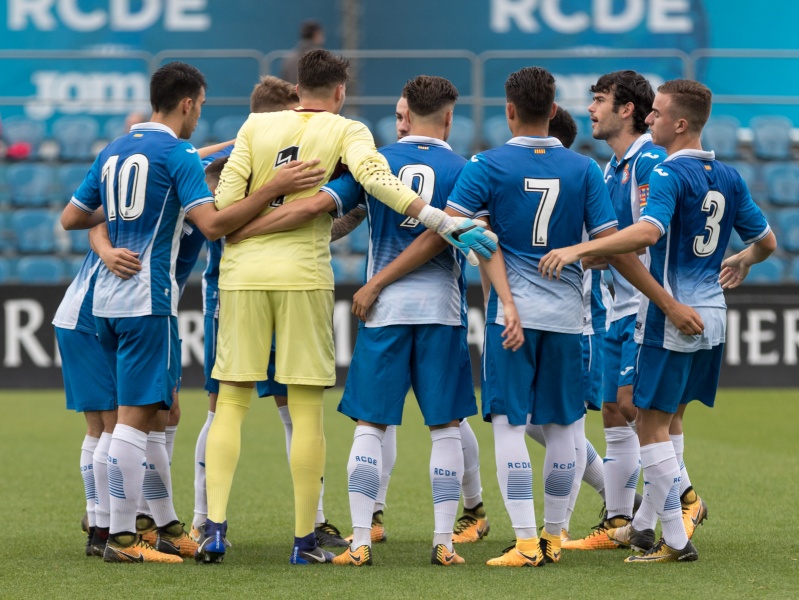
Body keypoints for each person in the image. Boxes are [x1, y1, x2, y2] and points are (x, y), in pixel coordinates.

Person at [199, 50, 497, 566]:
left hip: (253, 278)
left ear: (297, 88)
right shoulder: (356, 133)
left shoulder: (255, 126)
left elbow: (229, 208)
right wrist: (440, 220)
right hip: (321, 280)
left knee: (235, 403)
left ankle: (218, 529)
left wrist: (250, 222)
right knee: (317, 411)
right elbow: (375, 186)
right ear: (340, 91)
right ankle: (313, 540)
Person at [60, 61, 326, 564]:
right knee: (132, 423)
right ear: (187, 103)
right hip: (147, 300)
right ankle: (121, 537)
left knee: (141, 419)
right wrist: (273, 188)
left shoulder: (115, 149)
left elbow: (72, 216)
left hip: (105, 304)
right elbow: (213, 224)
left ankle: (131, 526)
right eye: (200, 106)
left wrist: (111, 231)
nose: (200, 114)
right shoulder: (179, 156)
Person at [445, 66, 697, 568]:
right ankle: (554, 538)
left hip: (512, 318)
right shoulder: (584, 169)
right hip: (569, 319)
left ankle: (525, 543)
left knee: (510, 426)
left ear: (509, 110)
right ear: (553, 109)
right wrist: (664, 299)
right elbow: (613, 247)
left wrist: (503, 287)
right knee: (565, 428)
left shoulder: (485, 165)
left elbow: (457, 228)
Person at [539, 78, 776, 562]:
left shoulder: (664, 169)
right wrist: (744, 260)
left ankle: (677, 534)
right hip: (712, 311)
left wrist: (579, 250)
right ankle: (642, 525)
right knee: (654, 416)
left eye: (658, 113)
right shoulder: (729, 175)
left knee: (648, 421)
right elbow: (768, 242)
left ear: (680, 123)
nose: (650, 118)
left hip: (668, 312)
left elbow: (647, 233)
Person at [558, 70, 670, 551]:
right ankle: (618, 522)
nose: (591, 109)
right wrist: (584, 255)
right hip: (615, 307)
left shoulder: (649, 161)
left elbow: (649, 236)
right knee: (612, 409)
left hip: (646, 304)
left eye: (600, 100)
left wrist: (582, 252)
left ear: (627, 110)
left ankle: (680, 501)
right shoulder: (611, 169)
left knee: (635, 409)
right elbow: (613, 247)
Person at [523, 105, 611, 541]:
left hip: (580, 324)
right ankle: (620, 498)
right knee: (536, 422)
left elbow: (609, 247)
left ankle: (557, 531)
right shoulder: (579, 178)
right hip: (552, 318)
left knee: (566, 429)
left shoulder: (580, 181)